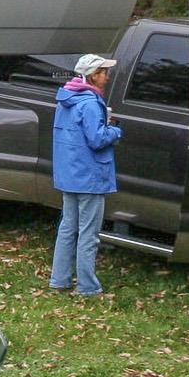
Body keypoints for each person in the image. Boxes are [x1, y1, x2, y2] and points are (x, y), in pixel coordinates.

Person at [50, 53, 124, 296]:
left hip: (69, 174)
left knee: (68, 228)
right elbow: (97, 139)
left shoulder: (67, 98)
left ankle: (59, 280)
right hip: (90, 177)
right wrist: (115, 130)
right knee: (89, 235)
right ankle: (87, 287)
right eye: (104, 72)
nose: (108, 76)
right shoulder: (91, 103)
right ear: (93, 76)